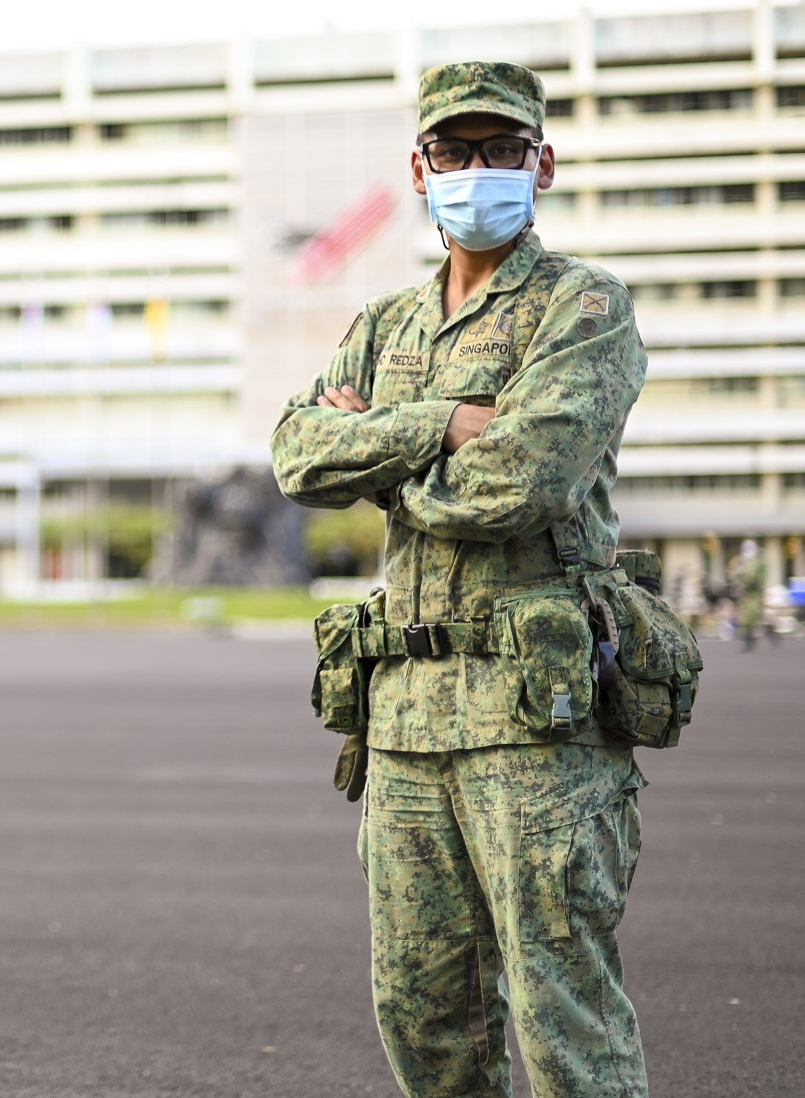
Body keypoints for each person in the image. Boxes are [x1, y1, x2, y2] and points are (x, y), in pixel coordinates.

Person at [271, 62, 651, 1097]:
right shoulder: (386, 324)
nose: (475, 169)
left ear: (543, 163)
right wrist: (439, 424)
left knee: (563, 1017)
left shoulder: (581, 307)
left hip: (536, 722)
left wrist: (378, 460)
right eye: (453, 151)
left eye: (501, 150)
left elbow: (523, 482)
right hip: (404, 724)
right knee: (423, 1019)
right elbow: (297, 454)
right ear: (420, 168)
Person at [735, 539, 768, 650]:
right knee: (747, 619)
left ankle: (752, 638)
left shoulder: (759, 563)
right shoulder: (748, 562)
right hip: (748, 596)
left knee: (752, 617)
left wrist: (744, 577)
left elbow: (754, 580)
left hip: (753, 595)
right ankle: (748, 640)